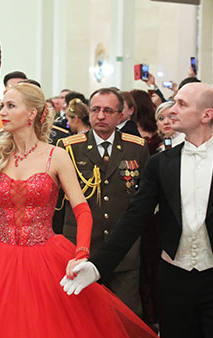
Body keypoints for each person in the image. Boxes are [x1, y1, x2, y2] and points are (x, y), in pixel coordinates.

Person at [0, 49, 157, 338]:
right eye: (2, 106)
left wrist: (81, 252)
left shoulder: (56, 156)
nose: (3, 112)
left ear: (32, 113)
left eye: (10, 106)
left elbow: (82, 209)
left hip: (45, 257)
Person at [61, 83, 213, 338]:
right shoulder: (161, 163)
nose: (172, 110)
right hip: (174, 279)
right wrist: (96, 266)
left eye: (182, 104)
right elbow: (133, 219)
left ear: (206, 114)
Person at [60, 88, 149, 316]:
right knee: (82, 316)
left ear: (120, 116)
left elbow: (143, 198)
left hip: (124, 252)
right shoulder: (69, 147)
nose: (100, 116)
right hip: (81, 248)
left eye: (108, 111)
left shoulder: (136, 147)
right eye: (96, 110)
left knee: (125, 316)